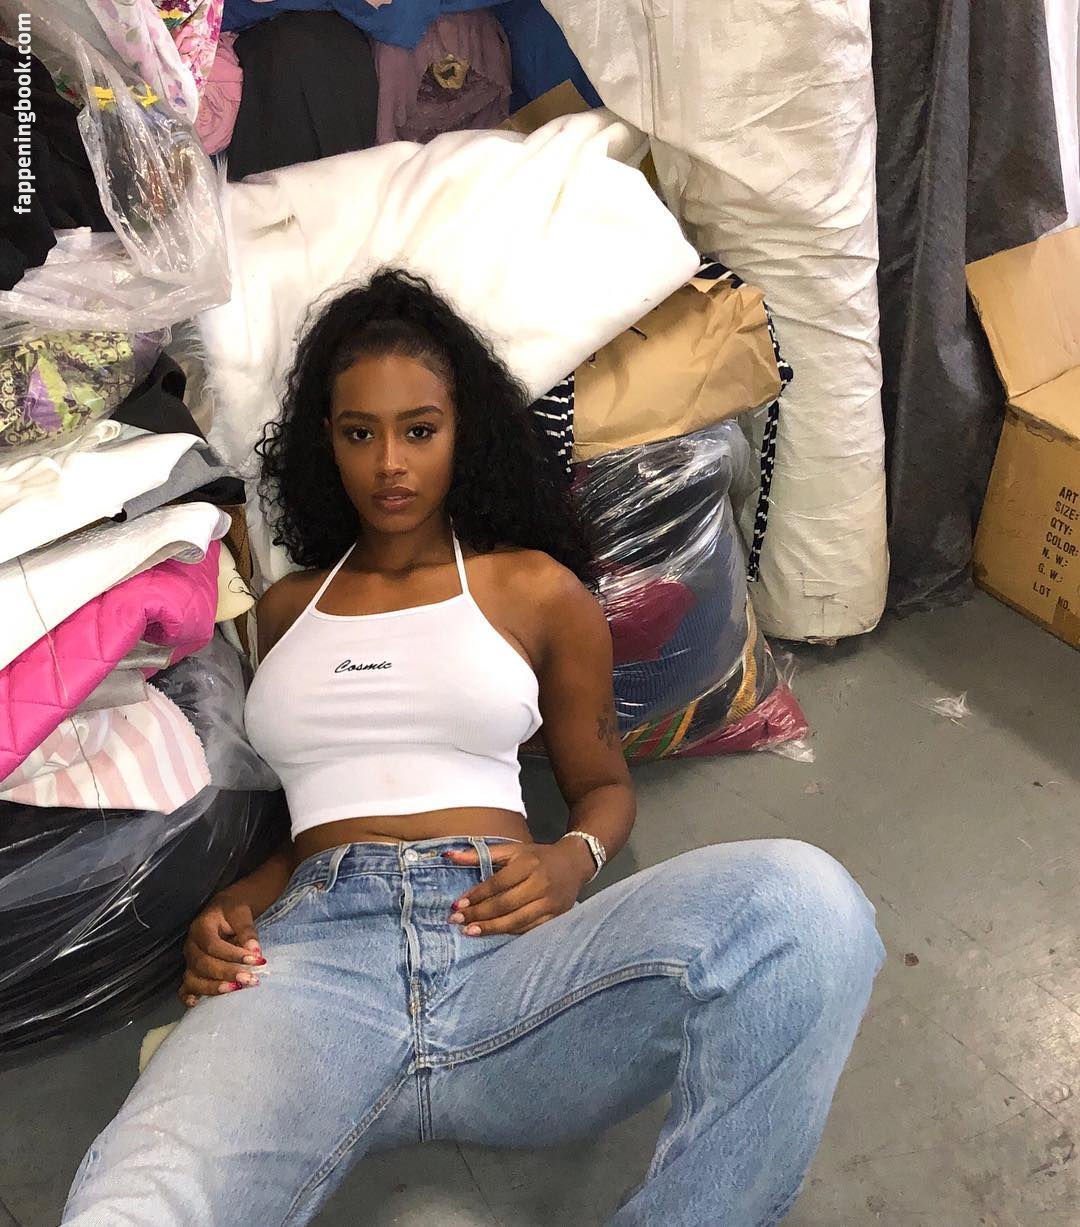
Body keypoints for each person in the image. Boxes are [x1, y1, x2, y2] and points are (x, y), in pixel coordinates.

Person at [64, 270, 884, 1226]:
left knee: (805, 906)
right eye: (359, 433)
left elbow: (603, 785)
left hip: (507, 957)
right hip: (312, 976)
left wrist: (571, 861)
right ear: (326, 443)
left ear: (465, 432)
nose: (390, 464)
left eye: (419, 429)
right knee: (135, 1200)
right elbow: (307, 825)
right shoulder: (285, 610)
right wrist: (231, 906)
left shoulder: (536, 590)